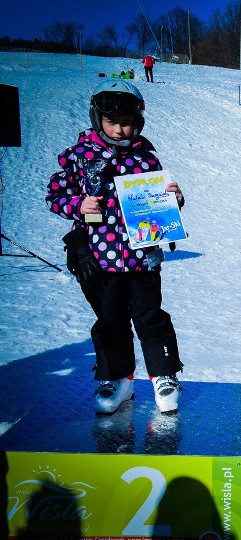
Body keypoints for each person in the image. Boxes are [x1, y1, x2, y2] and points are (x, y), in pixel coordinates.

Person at [46, 79, 185, 415]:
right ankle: (117, 377)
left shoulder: (146, 157)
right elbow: (55, 194)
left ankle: (163, 375)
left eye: (127, 123)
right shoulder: (80, 157)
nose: (121, 130)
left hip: (144, 257)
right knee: (110, 320)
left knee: (151, 317)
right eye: (113, 123)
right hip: (100, 259)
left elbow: (161, 200)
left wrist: (174, 200)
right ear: (98, 119)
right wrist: (78, 205)